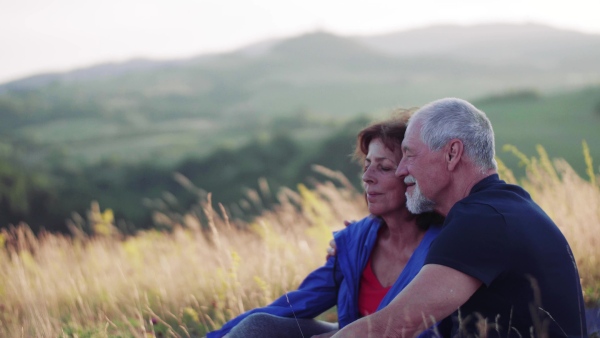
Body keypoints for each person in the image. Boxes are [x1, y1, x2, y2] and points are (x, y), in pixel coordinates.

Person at [332, 98, 588, 338]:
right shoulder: (504, 208)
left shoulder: (480, 221)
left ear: (452, 153)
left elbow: (396, 325)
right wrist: (354, 243)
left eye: (409, 154)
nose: (401, 170)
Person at [206, 112, 447, 338]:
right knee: (257, 325)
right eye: (366, 165)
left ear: (413, 176)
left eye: (383, 168)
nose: (367, 177)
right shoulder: (354, 240)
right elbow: (294, 305)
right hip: (344, 333)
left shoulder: (446, 246)